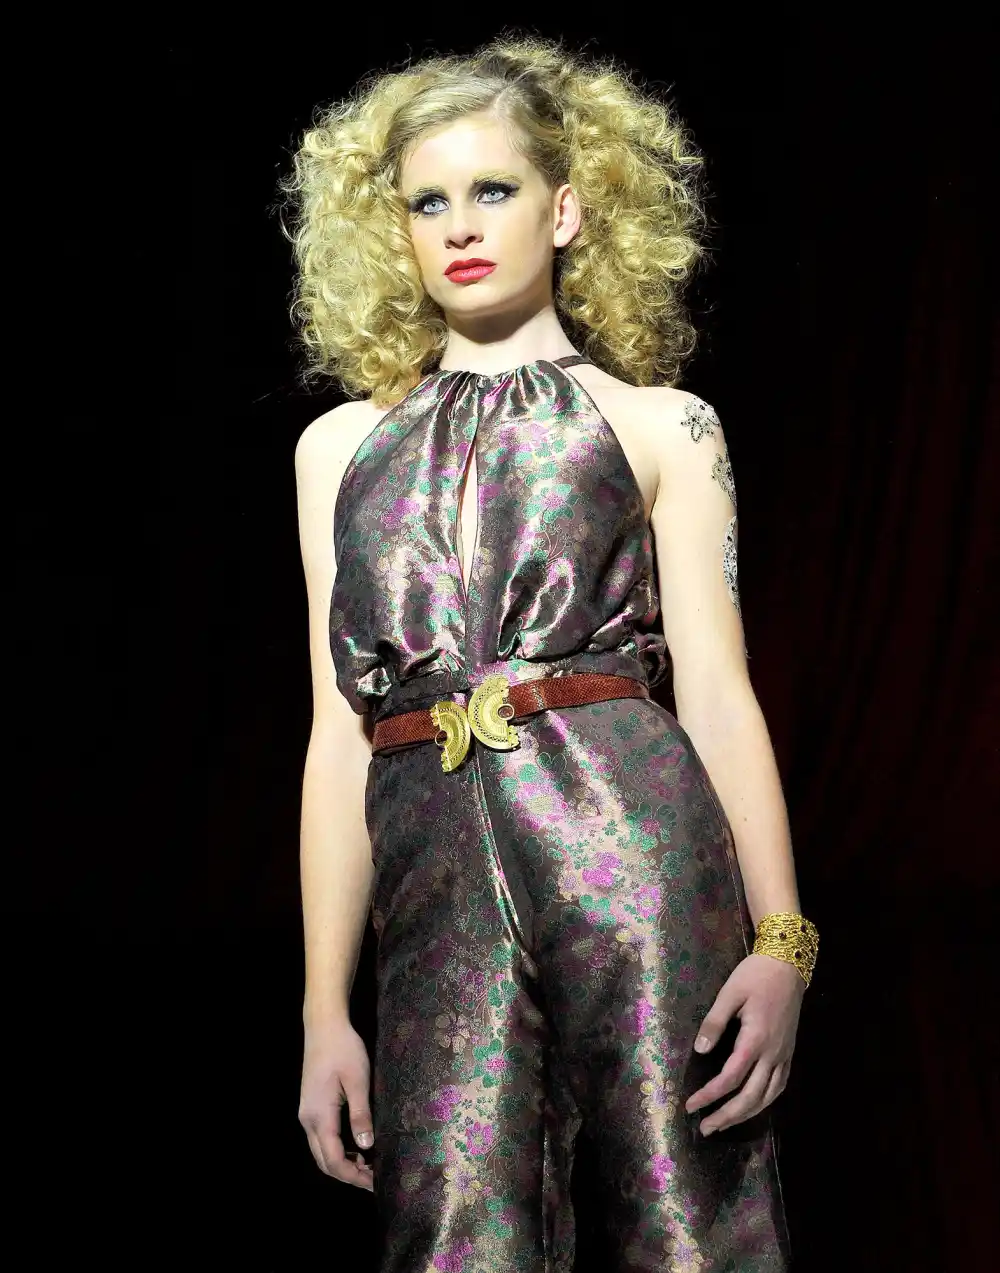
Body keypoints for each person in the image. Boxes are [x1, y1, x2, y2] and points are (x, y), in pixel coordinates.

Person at [284, 32, 818, 1273]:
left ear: (566, 208)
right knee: (451, 1234)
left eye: (495, 189)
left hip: (630, 847)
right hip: (431, 876)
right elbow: (333, 737)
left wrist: (781, 940)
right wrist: (323, 1009)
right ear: (395, 229)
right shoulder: (336, 451)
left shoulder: (660, 423)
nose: (461, 225)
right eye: (429, 198)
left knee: (688, 1212)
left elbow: (719, 696)